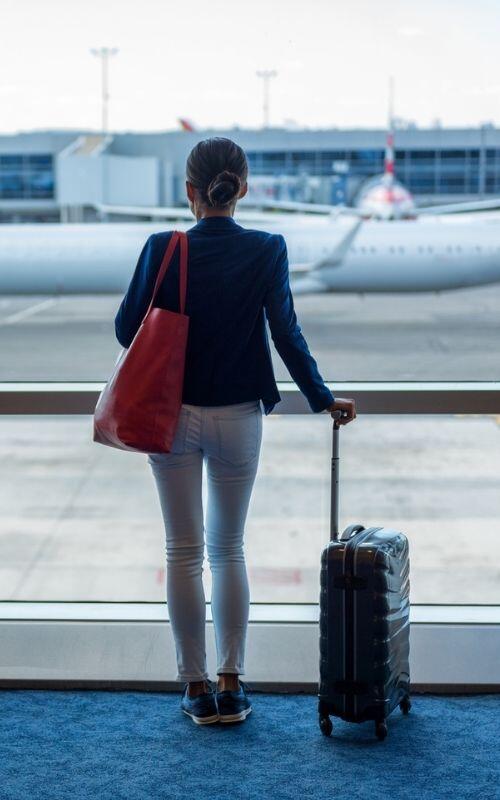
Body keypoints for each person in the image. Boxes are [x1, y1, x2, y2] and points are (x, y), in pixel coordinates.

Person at [114, 137, 356, 726]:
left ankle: (195, 688)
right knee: (228, 549)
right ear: (242, 188)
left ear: (189, 192)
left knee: (182, 551)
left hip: (170, 416)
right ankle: (231, 683)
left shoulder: (161, 248)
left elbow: (127, 330)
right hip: (238, 417)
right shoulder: (267, 249)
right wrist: (323, 399)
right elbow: (287, 337)